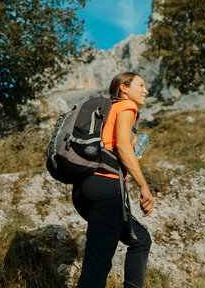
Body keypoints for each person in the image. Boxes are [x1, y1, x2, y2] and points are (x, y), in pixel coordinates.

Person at [73, 72, 155, 288]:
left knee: (140, 239)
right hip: (106, 189)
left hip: (83, 189)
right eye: (141, 85)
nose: (146, 90)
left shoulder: (105, 110)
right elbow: (123, 147)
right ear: (124, 88)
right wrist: (144, 187)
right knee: (96, 267)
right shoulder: (127, 107)